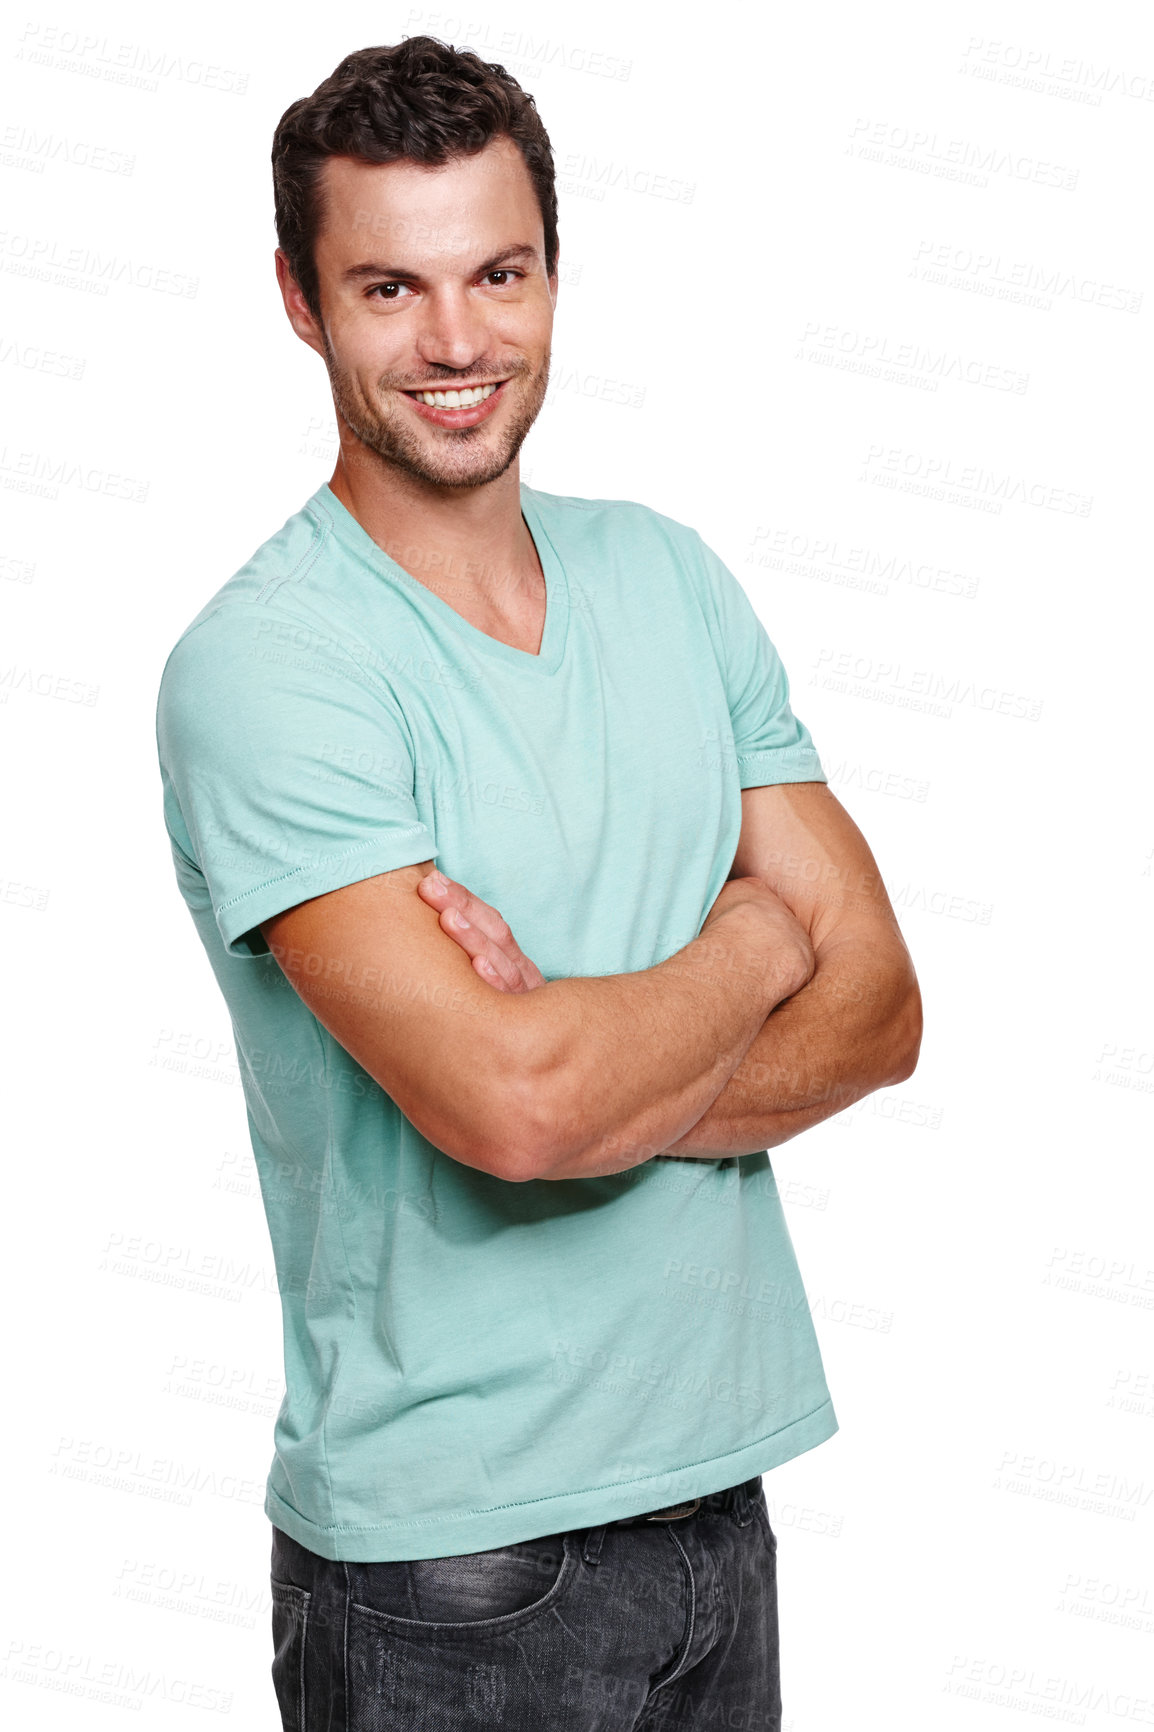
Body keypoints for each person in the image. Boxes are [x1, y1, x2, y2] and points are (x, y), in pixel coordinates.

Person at [154, 36, 921, 1732]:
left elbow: (878, 1019)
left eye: (497, 274)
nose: (454, 343)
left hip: (720, 1501)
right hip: (453, 1570)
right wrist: (748, 936)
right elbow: (513, 1111)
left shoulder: (669, 578)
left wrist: (592, 1059)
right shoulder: (273, 669)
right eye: (387, 286)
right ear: (299, 299)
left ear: (553, 272)